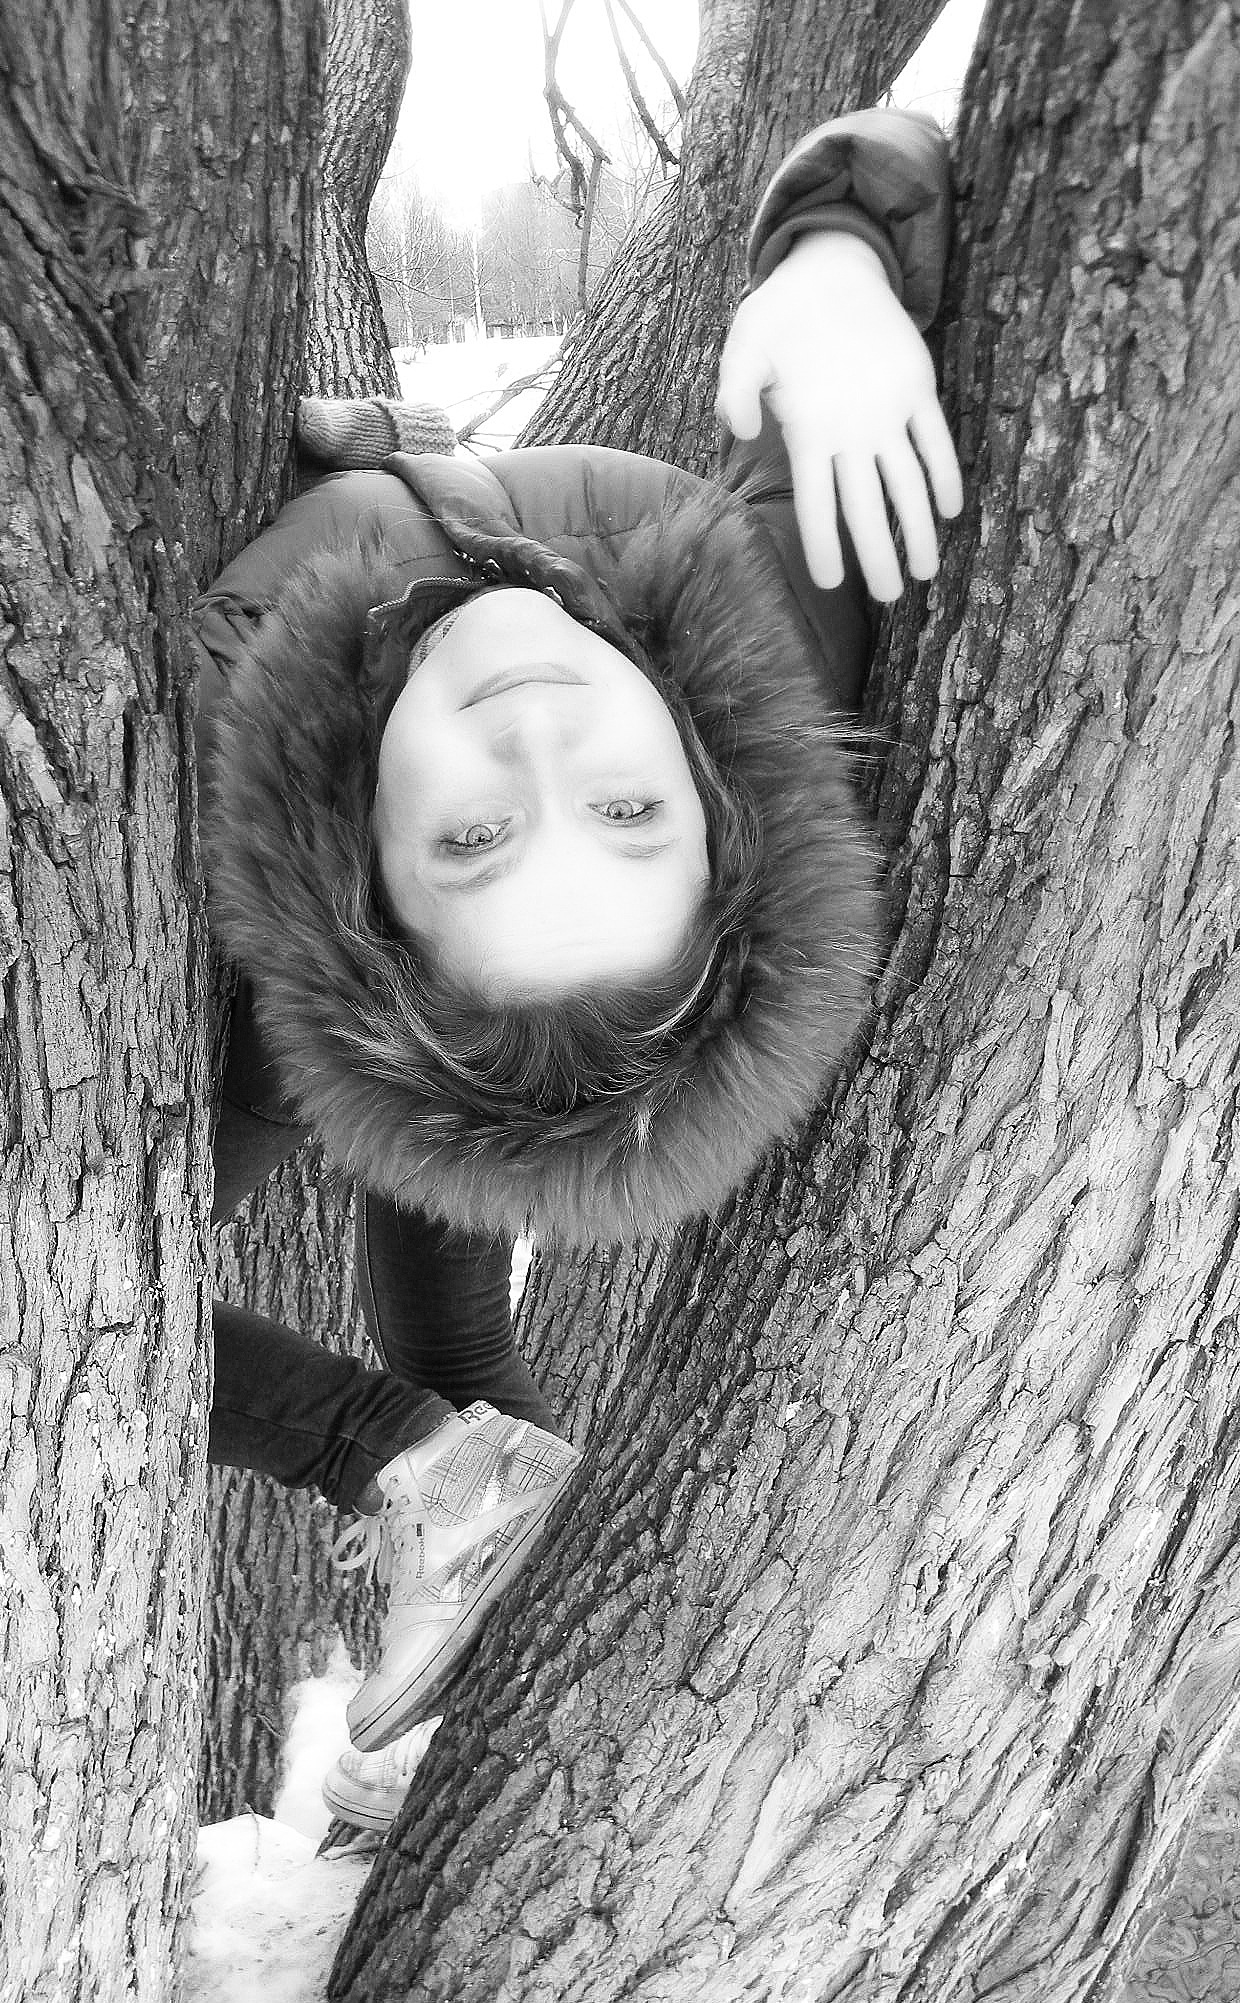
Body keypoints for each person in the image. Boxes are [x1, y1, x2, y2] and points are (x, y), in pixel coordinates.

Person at [194, 108, 961, 1810]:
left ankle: (417, 1464)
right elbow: (900, 144)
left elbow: (71, 1320)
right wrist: (838, 262)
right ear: (710, 801)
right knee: (498, 1109)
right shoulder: (761, 654)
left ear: (360, 883)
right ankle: (465, 1489)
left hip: (359, 972)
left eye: (476, 836)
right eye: (625, 814)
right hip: (456, 941)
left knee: (128, 1285)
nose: (544, 747)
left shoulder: (194, 750)